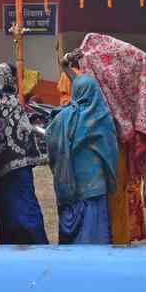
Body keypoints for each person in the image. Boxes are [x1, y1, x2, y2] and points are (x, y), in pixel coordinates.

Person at [76, 34, 146, 246]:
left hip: (93, 159)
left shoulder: (87, 111)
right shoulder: (120, 120)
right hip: (118, 148)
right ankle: (119, 240)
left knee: (104, 199)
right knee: (118, 197)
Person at [46, 74, 119, 244]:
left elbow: (50, 139)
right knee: (96, 235)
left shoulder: (64, 117)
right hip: (96, 187)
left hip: (71, 184)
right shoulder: (103, 118)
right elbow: (111, 152)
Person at [0, 63, 48, 245]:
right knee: (25, 207)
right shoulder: (12, 103)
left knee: (3, 209)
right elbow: (25, 133)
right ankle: (34, 243)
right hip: (18, 169)